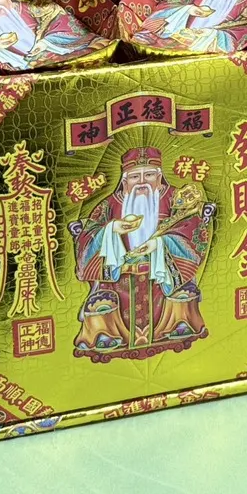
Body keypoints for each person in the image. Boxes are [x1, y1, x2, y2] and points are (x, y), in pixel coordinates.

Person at [69, 147, 210, 360]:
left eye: (149, 175)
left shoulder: (175, 198)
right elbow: (88, 236)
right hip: (119, 280)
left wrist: (160, 244)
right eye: (135, 177)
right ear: (125, 181)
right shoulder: (110, 204)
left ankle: (175, 326)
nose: (142, 182)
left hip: (163, 277)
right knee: (103, 303)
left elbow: (193, 230)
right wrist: (112, 230)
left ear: (159, 178)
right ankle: (107, 334)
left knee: (181, 295)